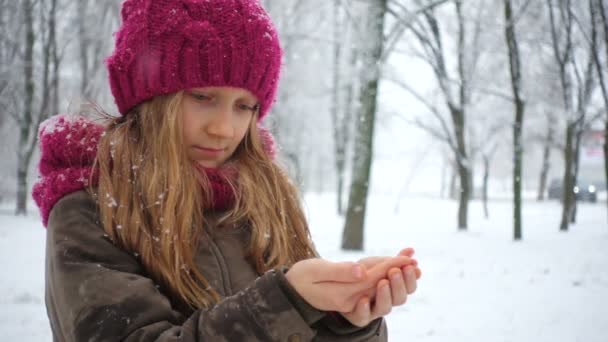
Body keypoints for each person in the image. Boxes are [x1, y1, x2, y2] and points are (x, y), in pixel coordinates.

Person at [32, 0, 422, 341]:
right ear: (151, 97)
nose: (224, 129)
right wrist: (284, 303)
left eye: (244, 106)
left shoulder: (263, 197)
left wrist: (345, 317)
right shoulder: (93, 206)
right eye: (202, 97)